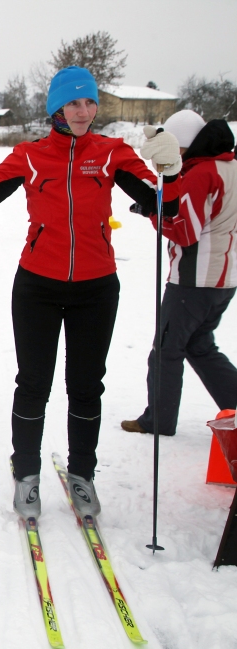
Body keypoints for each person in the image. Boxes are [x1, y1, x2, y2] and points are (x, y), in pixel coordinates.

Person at [0, 66, 182, 519]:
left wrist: (170, 171)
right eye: (73, 102)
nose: (83, 111)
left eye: (90, 102)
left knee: (86, 386)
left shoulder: (112, 152)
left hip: (96, 288)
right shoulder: (31, 155)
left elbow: (164, 207)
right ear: (56, 108)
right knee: (33, 384)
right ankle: (27, 475)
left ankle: (82, 475)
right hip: (37, 285)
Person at [122, 112, 237, 436]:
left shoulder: (201, 173)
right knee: (200, 346)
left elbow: (185, 230)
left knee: (167, 350)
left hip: (193, 281)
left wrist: (151, 212)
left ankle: (158, 419)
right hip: (224, 279)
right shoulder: (231, 166)